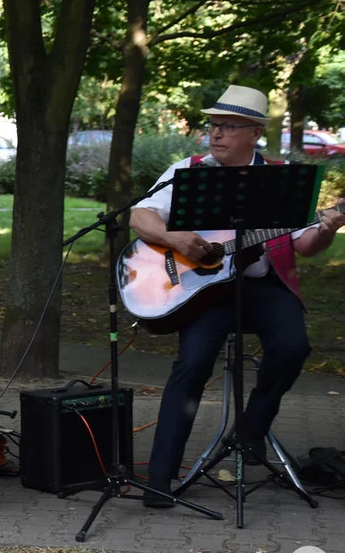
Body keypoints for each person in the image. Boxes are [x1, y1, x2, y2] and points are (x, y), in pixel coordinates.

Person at [130, 85, 345, 507]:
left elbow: (304, 246)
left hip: (265, 286)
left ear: (254, 133)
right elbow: (140, 216)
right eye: (213, 125)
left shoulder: (282, 178)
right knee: (191, 364)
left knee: (292, 347)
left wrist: (327, 227)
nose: (216, 134)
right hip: (205, 290)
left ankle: (249, 433)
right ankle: (159, 478)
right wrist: (176, 238)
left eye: (228, 127)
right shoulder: (188, 170)